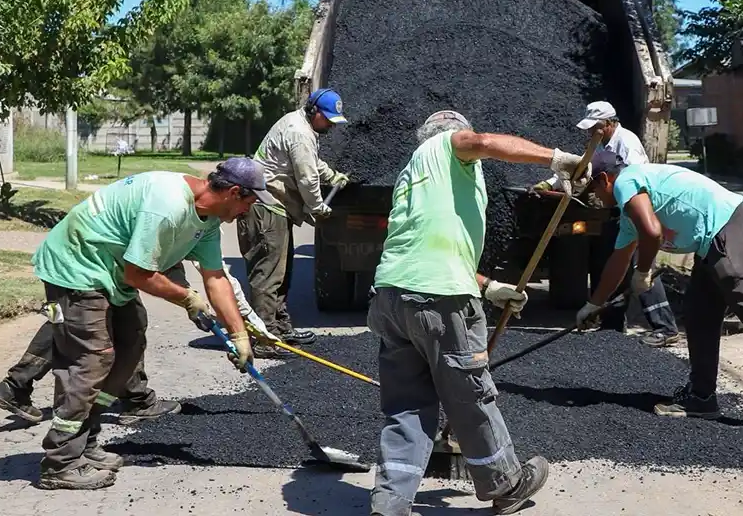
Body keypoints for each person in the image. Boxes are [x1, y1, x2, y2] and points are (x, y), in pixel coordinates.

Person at [368, 110, 589, 516]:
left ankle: (389, 503)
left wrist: (491, 288)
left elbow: (430, 245)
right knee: (469, 396)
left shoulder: (414, 176)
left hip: (392, 297)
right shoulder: (447, 147)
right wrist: (557, 159)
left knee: (406, 405)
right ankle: (506, 485)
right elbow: (484, 141)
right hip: (440, 299)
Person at [31, 158, 274, 491]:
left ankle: (86, 442)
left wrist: (239, 335)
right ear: (234, 192)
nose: (249, 210)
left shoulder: (208, 220)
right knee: (92, 360)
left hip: (111, 273)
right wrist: (187, 299)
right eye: (251, 201)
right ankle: (59, 461)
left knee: (130, 347)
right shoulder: (168, 206)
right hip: (77, 267)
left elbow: (215, 278)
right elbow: (139, 274)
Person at [578, 150, 743, 438]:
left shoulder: (626, 182)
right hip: (714, 239)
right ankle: (702, 397)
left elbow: (652, 231)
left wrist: (643, 271)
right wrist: (593, 304)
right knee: (699, 315)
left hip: (727, 228)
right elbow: (618, 260)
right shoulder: (629, 210)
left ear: (605, 178)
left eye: (592, 188)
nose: (593, 196)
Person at [0, 262, 276, 426]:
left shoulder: (195, 217)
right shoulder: (186, 216)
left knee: (116, 322)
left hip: (110, 263)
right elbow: (216, 278)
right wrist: (245, 325)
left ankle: (16, 384)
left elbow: (186, 272)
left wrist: (237, 325)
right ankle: (133, 400)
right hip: (94, 263)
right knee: (97, 323)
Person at [534, 101, 681, 347]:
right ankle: (612, 322)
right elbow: (583, 167)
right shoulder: (600, 145)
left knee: (640, 267)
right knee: (613, 265)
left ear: (610, 123)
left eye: (596, 127)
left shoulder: (627, 142)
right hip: (617, 211)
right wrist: (552, 183)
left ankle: (665, 327)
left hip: (637, 209)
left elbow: (638, 177)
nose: (591, 132)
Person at [239, 87, 350, 355]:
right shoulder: (299, 133)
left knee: (283, 270)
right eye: (327, 120)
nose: (330, 126)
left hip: (277, 206)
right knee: (268, 274)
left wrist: (333, 176)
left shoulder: (303, 127)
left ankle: (279, 328)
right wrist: (318, 208)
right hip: (266, 206)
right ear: (314, 112)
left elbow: (311, 164)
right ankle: (264, 338)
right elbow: (306, 178)